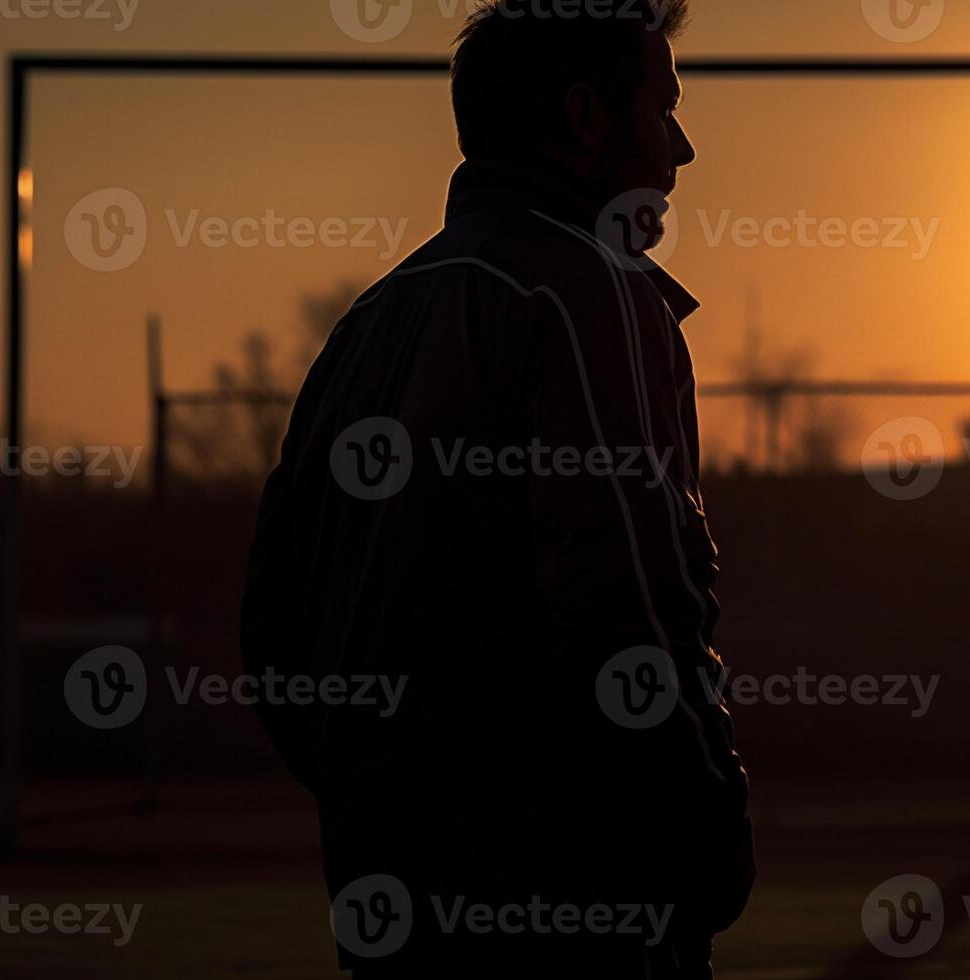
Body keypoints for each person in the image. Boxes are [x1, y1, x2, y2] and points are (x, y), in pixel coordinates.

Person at [239, 2, 753, 975]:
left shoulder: (370, 322)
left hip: (388, 889)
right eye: (665, 106)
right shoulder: (588, 290)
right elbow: (629, 600)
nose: (682, 147)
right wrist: (703, 818)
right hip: (579, 901)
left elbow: (276, 619)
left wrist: (381, 799)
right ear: (585, 118)